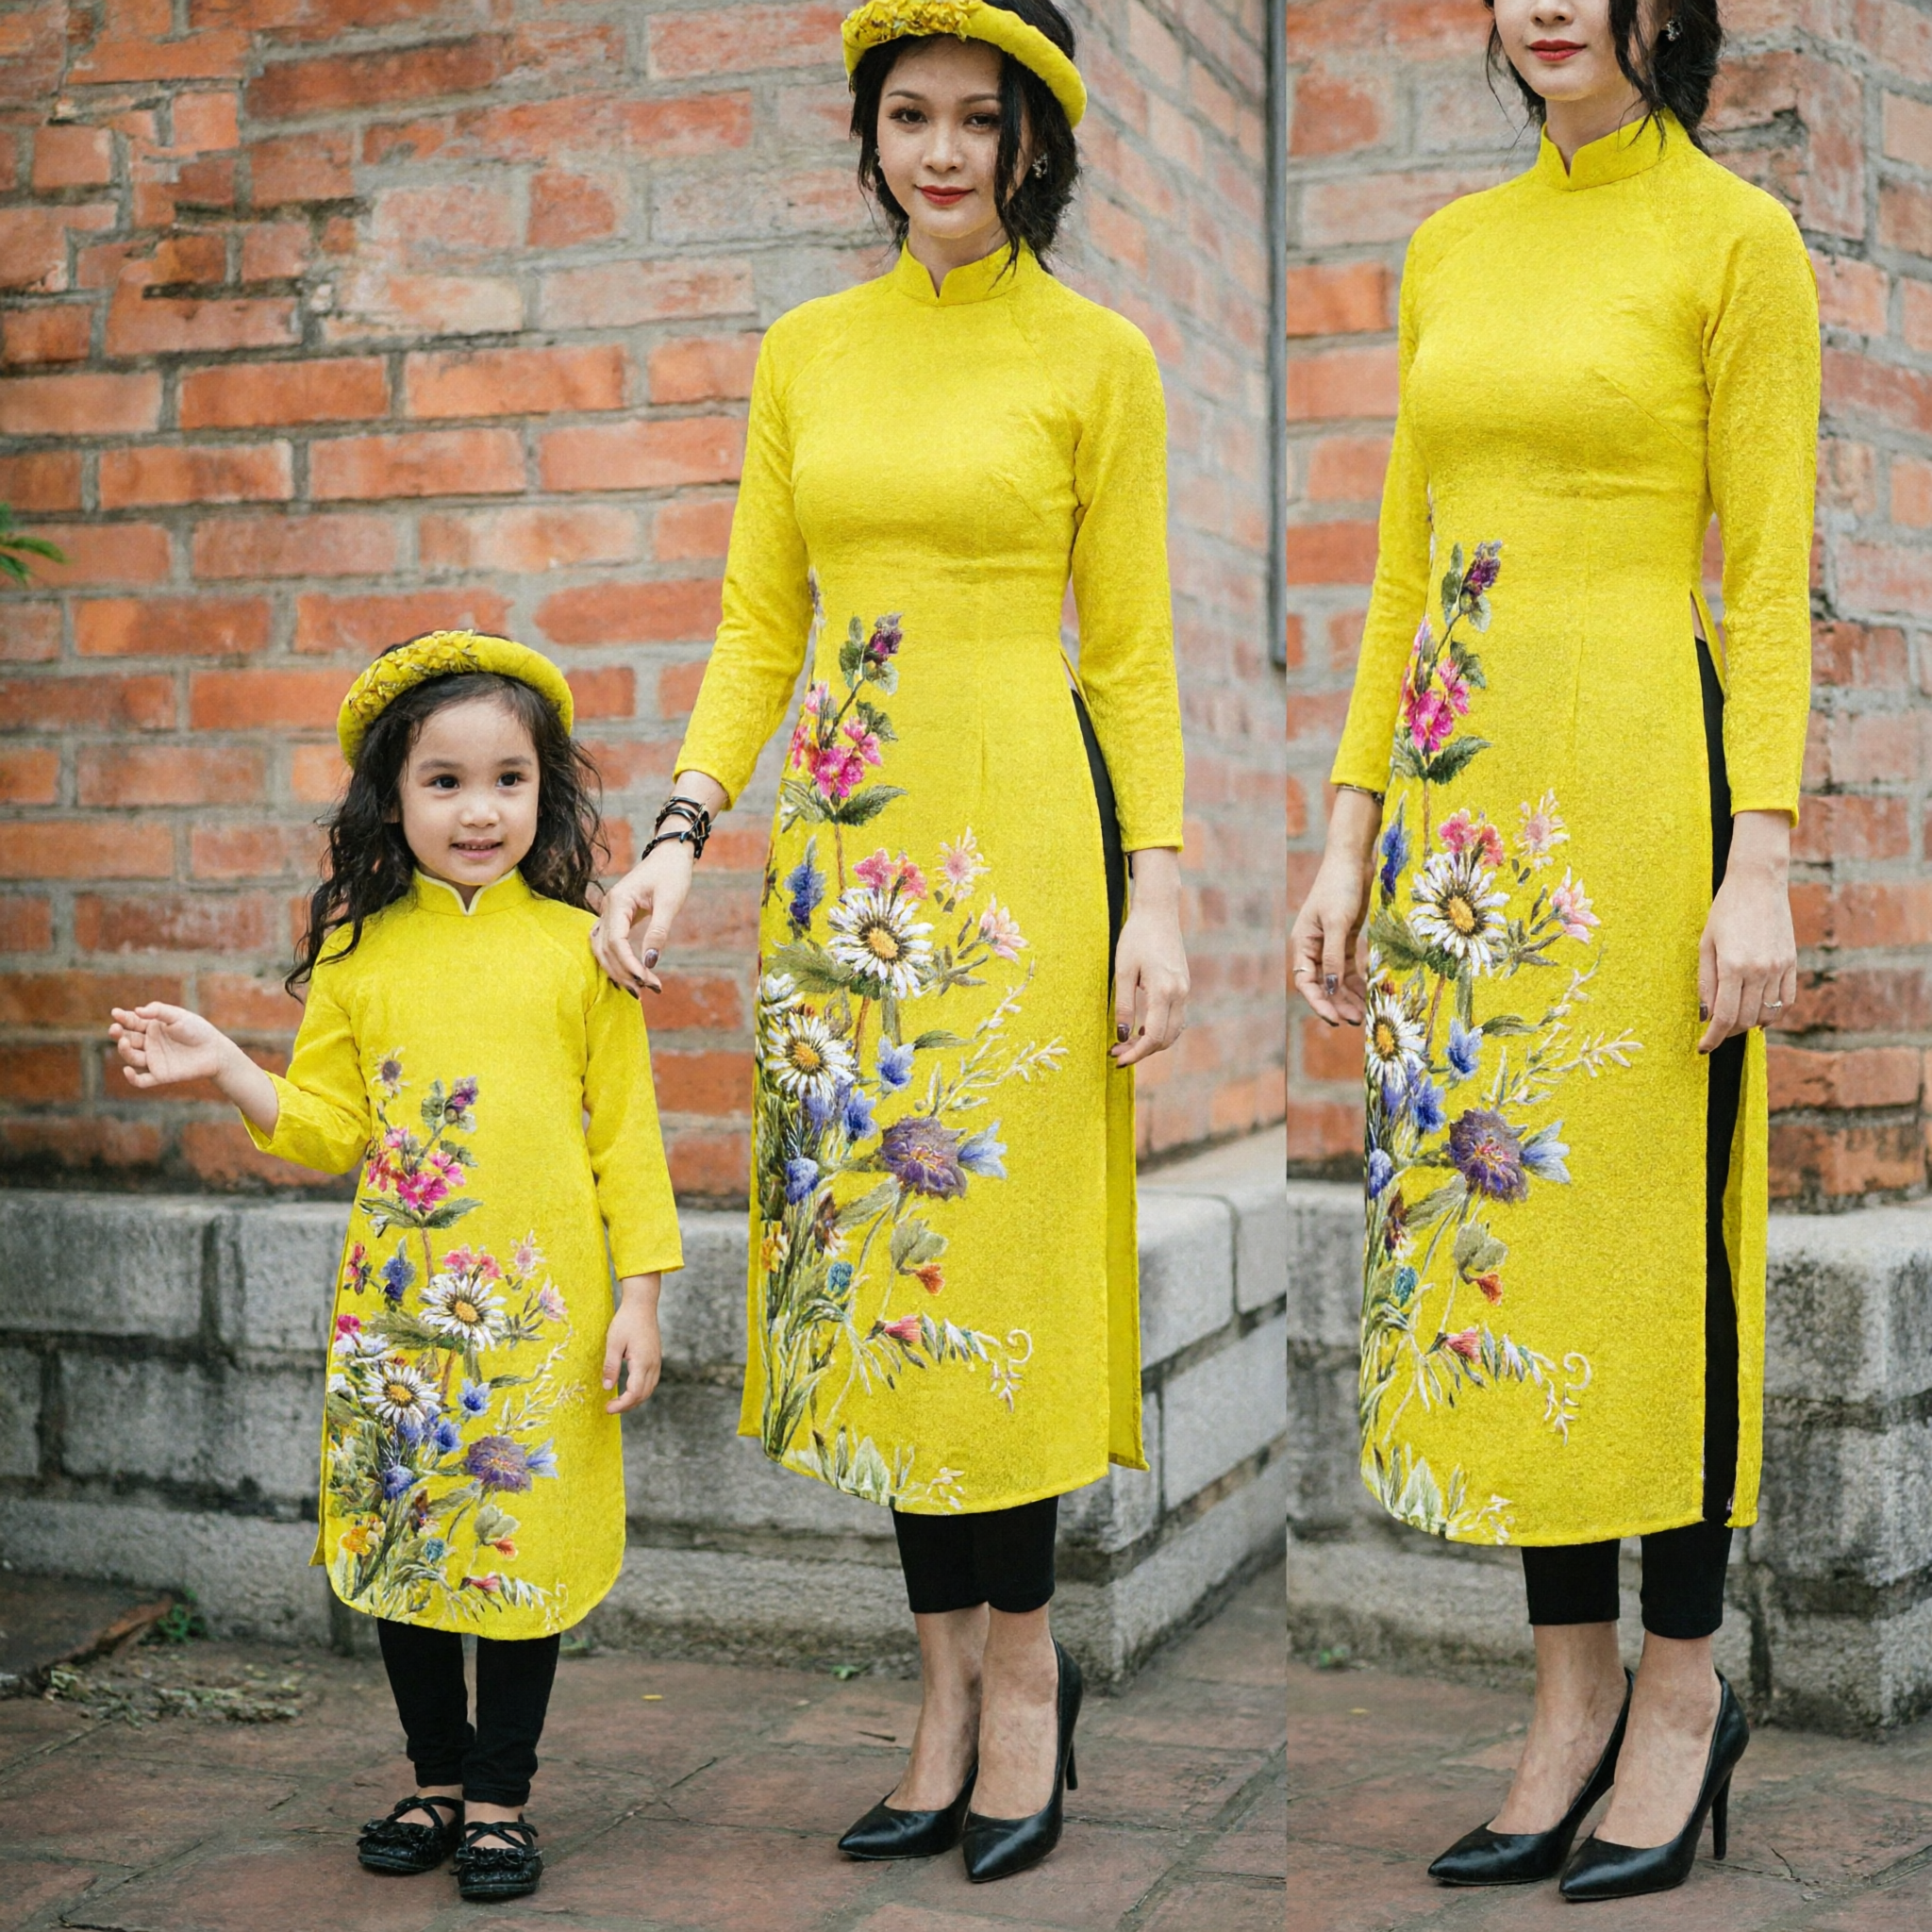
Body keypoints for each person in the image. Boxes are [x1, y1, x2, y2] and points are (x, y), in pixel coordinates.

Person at [589, 0, 1189, 1886]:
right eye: (908, 117)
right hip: (845, 874)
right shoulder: (806, 355)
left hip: (1020, 852)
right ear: (871, 138)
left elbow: (1137, 652)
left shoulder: (1099, 359)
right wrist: (684, 831)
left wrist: (1157, 892)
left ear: (1033, 144)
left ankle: (1025, 1678)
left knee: (990, 1268)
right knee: (882, 1288)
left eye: (976, 121)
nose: (940, 151)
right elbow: (759, 625)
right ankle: (935, 1689)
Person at [1288, 0, 1818, 1904]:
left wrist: (1757, 860)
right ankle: (1565, 1696)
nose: (1543, 2)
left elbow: (1763, 579)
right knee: (1501, 1240)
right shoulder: (1453, 244)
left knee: (1646, 1246)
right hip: (1459, 811)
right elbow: (1404, 559)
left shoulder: (1733, 241)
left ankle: (1682, 1695)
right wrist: (1349, 826)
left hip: (1641, 795)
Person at [108, 633, 683, 1905]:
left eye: (508, 780)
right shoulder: (361, 953)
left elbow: (625, 1141)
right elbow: (327, 1128)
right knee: (409, 1541)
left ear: (546, 794)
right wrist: (230, 1067)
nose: (480, 811)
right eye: (444, 781)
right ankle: (433, 1778)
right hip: (402, 1312)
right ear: (393, 796)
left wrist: (639, 1298)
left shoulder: (583, 951)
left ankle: (500, 1798)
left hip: (543, 1310)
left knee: (522, 1546)